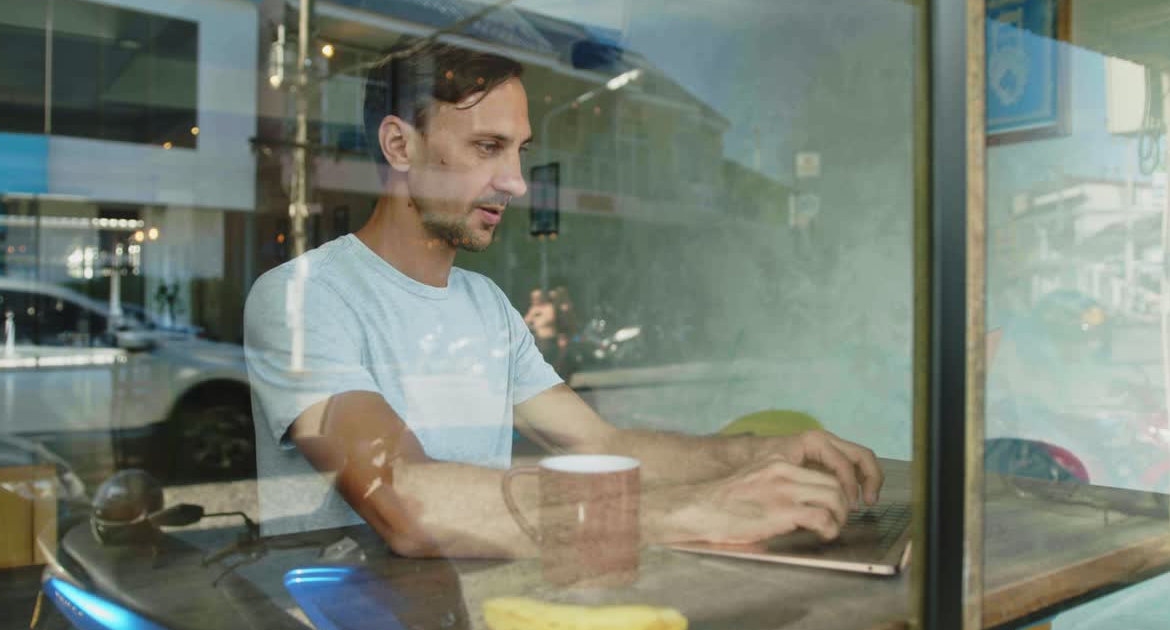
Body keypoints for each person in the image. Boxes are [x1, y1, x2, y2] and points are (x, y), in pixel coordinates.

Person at [244, 40, 883, 558]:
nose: (516, 182)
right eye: (487, 147)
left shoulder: (485, 305)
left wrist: (762, 453)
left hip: (474, 621)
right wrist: (681, 511)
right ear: (399, 145)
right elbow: (405, 500)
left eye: (519, 151)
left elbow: (602, 445)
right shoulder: (303, 299)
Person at [522, 288, 558, 361]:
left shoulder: (549, 307)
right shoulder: (533, 308)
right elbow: (525, 321)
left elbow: (546, 321)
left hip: (546, 339)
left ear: (542, 297)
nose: (535, 299)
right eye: (533, 298)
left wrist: (535, 320)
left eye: (537, 297)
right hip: (536, 339)